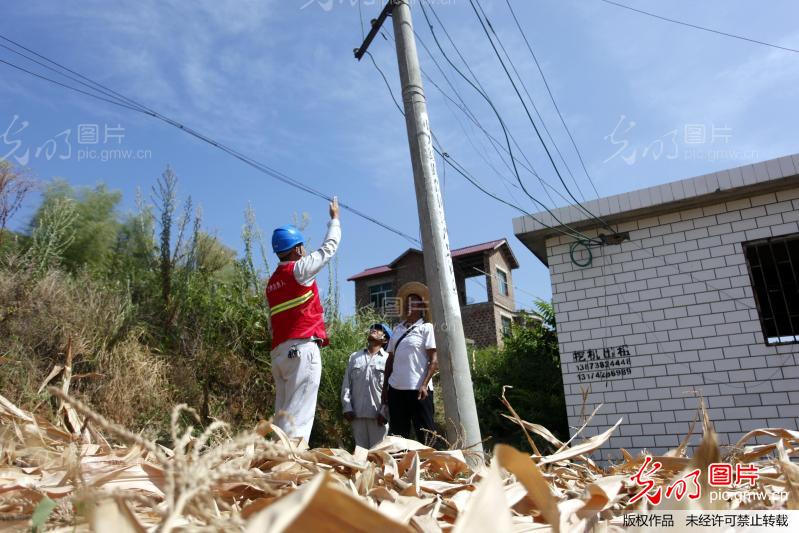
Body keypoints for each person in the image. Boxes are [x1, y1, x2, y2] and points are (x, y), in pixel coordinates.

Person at [265, 197, 340, 442]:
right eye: (302, 246)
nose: (305, 250)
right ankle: (289, 467)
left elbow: (272, 322)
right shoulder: (298, 269)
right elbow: (328, 249)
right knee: (299, 417)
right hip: (301, 350)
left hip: (279, 354)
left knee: (284, 414)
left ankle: (275, 464)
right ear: (297, 248)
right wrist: (334, 220)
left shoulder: (272, 284)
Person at [381, 293, 438, 445]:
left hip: (418, 389)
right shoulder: (397, 329)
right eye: (407, 303)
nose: (408, 305)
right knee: (398, 435)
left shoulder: (426, 328)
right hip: (395, 389)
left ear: (421, 308)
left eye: (413, 303)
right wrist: (385, 387)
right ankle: (400, 467)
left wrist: (425, 384)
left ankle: (431, 467)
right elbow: (390, 360)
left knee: (426, 433)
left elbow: (434, 360)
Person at [341, 323, 392, 449]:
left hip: (378, 417)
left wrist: (385, 412)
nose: (374, 330)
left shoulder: (388, 359)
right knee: (360, 456)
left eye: (379, 330)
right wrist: (347, 407)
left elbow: (390, 388)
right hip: (356, 415)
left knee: (378, 455)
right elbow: (346, 384)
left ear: (385, 339)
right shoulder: (354, 357)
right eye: (373, 328)